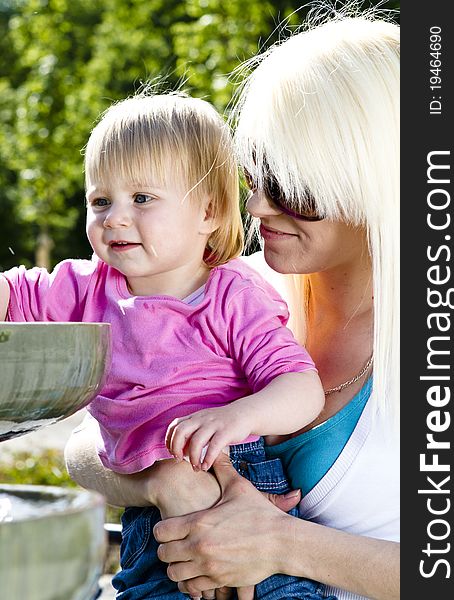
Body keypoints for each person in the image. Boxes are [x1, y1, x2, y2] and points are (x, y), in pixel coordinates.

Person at [65, 9, 400, 600]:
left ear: (375, 181)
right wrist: (163, 477)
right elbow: (81, 449)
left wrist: (279, 544)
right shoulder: (229, 288)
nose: (259, 208)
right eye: (254, 174)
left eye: (296, 186)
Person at [0, 93, 327, 599]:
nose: (114, 218)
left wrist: (238, 416)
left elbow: (301, 387)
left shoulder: (230, 295)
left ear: (209, 211)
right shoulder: (87, 287)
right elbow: (11, 294)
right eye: (100, 200)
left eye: (143, 199)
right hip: (146, 517)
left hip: (237, 488)